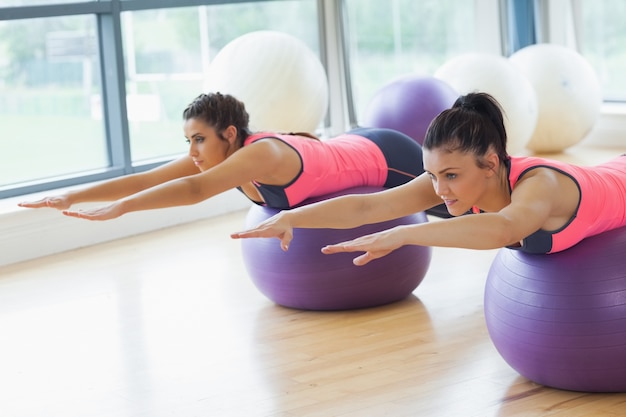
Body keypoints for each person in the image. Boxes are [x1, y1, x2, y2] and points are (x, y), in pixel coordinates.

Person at [231, 92, 626, 265]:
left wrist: (404, 234)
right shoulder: (450, 178)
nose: (439, 189)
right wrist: (291, 218)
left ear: (491, 163)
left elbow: (503, 229)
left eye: (451, 175)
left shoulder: (541, 186)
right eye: (434, 175)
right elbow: (372, 204)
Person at [19, 92, 447, 219]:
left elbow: (192, 190)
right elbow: (148, 178)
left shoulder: (259, 155)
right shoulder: (222, 155)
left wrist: (121, 209)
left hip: (383, 155)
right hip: (353, 143)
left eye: (199, 140)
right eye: (188, 141)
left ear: (228, 134)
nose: (193, 152)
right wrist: (73, 195)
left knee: (464, 212)